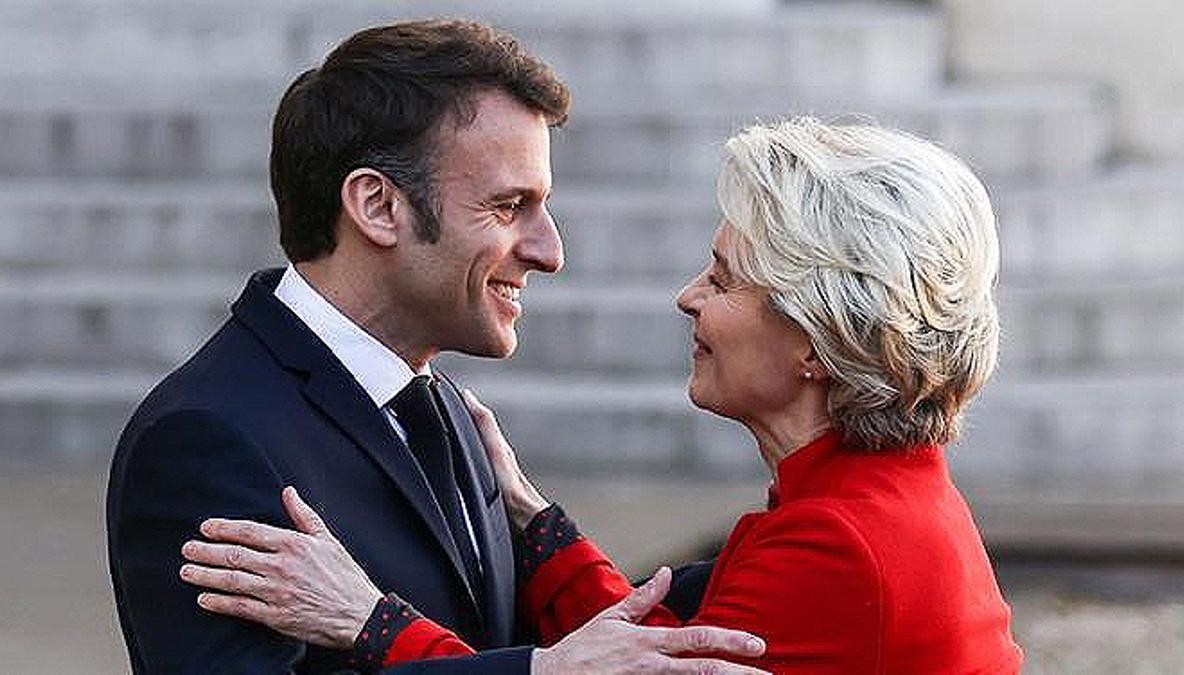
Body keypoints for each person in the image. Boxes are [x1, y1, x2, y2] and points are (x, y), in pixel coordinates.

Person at [180, 118, 1025, 673]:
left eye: (724, 278)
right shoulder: (870, 497)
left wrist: (367, 619)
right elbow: (646, 657)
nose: (689, 296)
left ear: (814, 337)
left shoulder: (838, 545)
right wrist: (535, 522)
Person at [106, 19, 768, 675]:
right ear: (378, 206)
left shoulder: (447, 410)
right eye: (510, 207)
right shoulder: (208, 437)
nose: (550, 251)